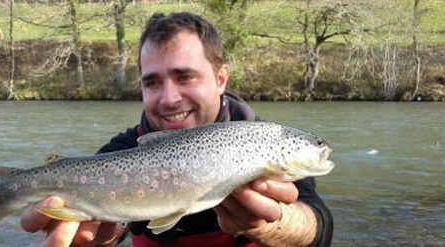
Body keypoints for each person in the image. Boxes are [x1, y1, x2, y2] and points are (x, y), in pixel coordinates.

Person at [21, 12, 333, 247]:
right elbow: (113, 226)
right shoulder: (125, 149)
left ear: (221, 78)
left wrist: (273, 224)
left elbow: (318, 225)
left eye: (185, 77)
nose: (170, 98)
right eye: (152, 82)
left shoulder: (261, 138)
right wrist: (102, 235)